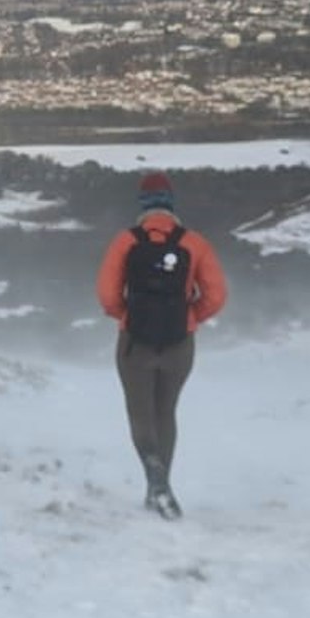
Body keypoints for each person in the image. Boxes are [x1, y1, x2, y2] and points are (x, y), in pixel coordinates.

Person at [96, 171, 229, 519]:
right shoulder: (194, 243)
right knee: (165, 412)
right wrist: (191, 317)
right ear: (171, 204)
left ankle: (155, 479)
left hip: (134, 341)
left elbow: (108, 296)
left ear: (142, 206)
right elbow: (216, 296)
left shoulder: (125, 241)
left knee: (140, 414)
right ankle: (159, 489)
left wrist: (126, 316)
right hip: (179, 342)